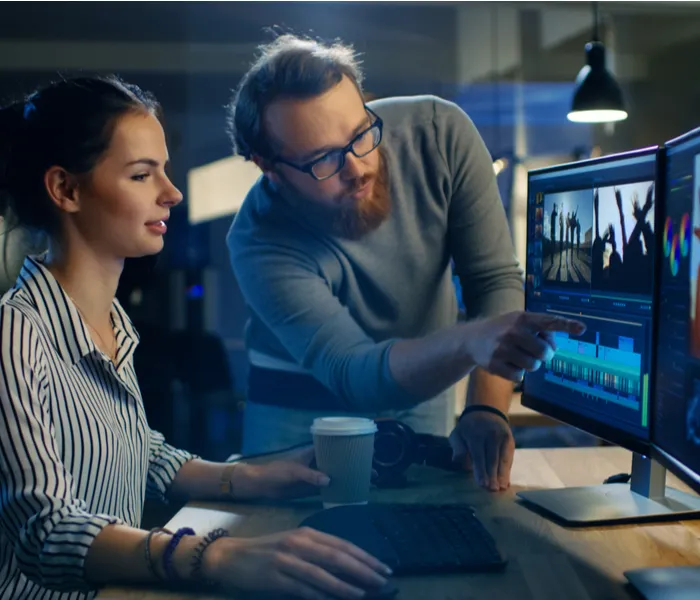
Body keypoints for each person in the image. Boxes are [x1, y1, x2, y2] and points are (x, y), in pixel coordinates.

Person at [0, 76, 392, 600]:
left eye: (164, 170)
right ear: (66, 190)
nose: (173, 193)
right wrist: (215, 554)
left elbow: (140, 452)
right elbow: (45, 533)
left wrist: (256, 476)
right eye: (142, 175)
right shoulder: (13, 334)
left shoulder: (110, 320)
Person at [226, 34, 585, 491]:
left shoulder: (439, 133)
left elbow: (492, 279)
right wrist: (469, 342)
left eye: (360, 135)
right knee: (293, 544)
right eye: (322, 160)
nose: (357, 167)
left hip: (423, 390)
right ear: (269, 168)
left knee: (433, 530)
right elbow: (352, 371)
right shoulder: (258, 239)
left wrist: (486, 408)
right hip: (298, 409)